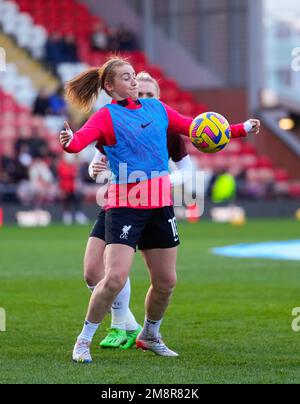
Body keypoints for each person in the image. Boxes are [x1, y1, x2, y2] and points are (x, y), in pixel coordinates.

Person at [59, 57, 260, 363]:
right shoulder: (106, 116)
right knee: (113, 278)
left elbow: (196, 129)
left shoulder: (158, 109)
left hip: (160, 206)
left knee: (166, 282)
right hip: (125, 206)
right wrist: (69, 142)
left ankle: (150, 335)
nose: (134, 82)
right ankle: (83, 340)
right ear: (110, 87)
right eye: (126, 78)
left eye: (133, 77)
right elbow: (78, 144)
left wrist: (241, 129)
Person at [82, 72, 194, 351]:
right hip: (117, 203)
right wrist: (94, 170)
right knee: (92, 273)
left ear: (158, 100)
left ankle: (132, 328)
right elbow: (96, 166)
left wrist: (160, 181)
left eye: (149, 95)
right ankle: (125, 321)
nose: (142, 98)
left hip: (156, 204)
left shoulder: (168, 131)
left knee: (163, 280)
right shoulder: (118, 120)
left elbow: (189, 172)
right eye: (138, 93)